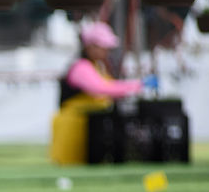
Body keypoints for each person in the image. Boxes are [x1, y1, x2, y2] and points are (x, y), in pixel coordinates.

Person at [49, 20, 154, 166]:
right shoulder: (81, 67)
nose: (107, 51)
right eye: (103, 47)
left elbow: (110, 86)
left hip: (91, 126)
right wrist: (138, 85)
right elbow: (101, 88)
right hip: (74, 127)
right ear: (90, 46)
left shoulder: (97, 67)